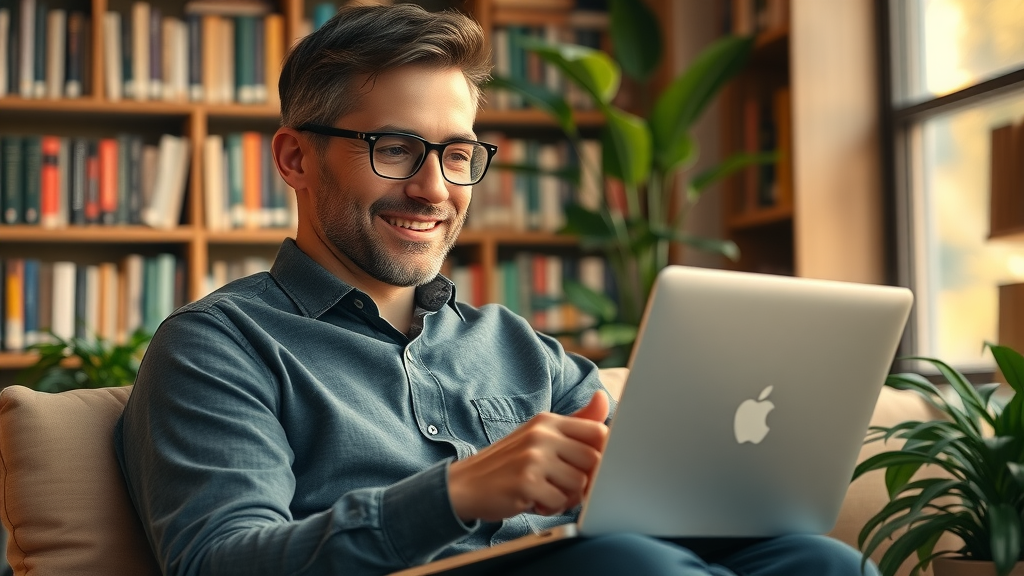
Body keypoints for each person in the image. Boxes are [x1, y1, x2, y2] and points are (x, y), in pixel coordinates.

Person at [115, 4, 879, 576]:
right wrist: (452, 494)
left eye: (456, 154)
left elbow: (640, 486)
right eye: (394, 149)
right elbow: (217, 562)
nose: (433, 189)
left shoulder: (513, 345)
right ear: (294, 158)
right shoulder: (217, 347)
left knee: (821, 561)